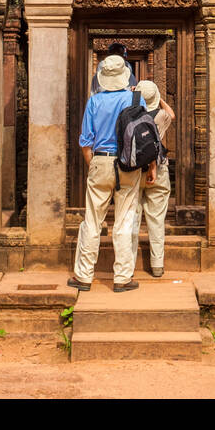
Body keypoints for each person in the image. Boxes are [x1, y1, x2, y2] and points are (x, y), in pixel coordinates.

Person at [69, 54, 142, 292]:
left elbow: (85, 141)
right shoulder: (134, 99)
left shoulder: (94, 101)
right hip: (128, 164)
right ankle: (122, 277)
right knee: (124, 221)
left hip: (100, 159)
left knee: (92, 221)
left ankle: (84, 276)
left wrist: (94, 164)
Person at [133, 79, 174, 278]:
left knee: (131, 218)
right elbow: (172, 114)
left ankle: (127, 264)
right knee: (156, 218)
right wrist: (158, 99)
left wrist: (134, 96)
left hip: (133, 171)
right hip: (158, 169)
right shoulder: (161, 116)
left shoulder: (129, 115)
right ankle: (157, 264)